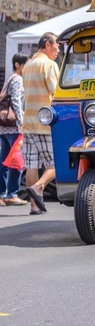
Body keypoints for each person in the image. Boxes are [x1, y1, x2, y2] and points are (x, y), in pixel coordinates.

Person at [16, 32, 60, 215]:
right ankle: (40, 186)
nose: (58, 50)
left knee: (31, 164)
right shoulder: (49, 65)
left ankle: (34, 206)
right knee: (57, 161)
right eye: (57, 46)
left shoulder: (28, 66)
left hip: (28, 123)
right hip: (45, 123)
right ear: (48, 45)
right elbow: (56, 93)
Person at [0, 53, 30, 206]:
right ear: (18, 65)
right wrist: (21, 122)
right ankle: (11, 194)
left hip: (4, 127)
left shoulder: (10, 78)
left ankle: (2, 194)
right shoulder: (18, 79)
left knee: (4, 162)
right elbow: (17, 101)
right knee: (16, 160)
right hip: (14, 127)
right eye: (26, 64)